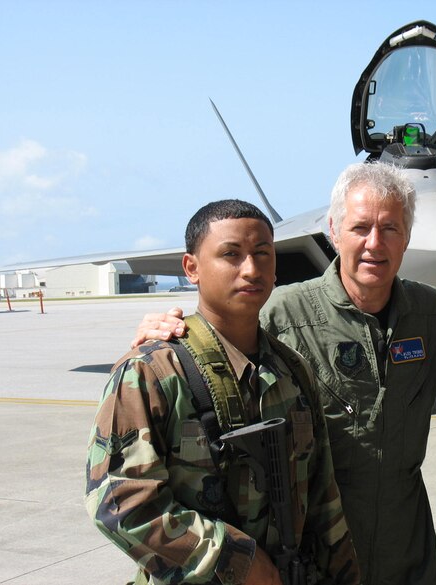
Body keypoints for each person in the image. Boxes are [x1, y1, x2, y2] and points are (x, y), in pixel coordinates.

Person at [132, 163, 436, 585]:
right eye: (360, 227)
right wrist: (168, 328)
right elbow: (211, 335)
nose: (375, 243)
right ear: (334, 231)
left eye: (391, 228)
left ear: (407, 236)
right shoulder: (280, 314)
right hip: (319, 553)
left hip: (407, 553)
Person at [85, 199, 359, 585]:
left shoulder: (293, 370)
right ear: (191, 268)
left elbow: (322, 496)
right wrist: (235, 561)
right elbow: (121, 503)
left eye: (263, 254)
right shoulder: (152, 372)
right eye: (231, 254)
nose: (251, 269)